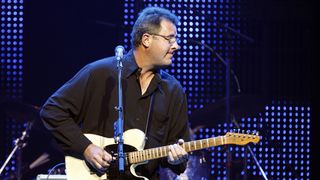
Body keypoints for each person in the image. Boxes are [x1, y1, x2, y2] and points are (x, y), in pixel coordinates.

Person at [40, 6, 190, 179]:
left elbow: (179, 160)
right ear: (146, 39)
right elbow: (52, 110)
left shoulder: (173, 90)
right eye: (169, 39)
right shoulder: (101, 73)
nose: (176, 46)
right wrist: (86, 148)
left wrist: (177, 159)